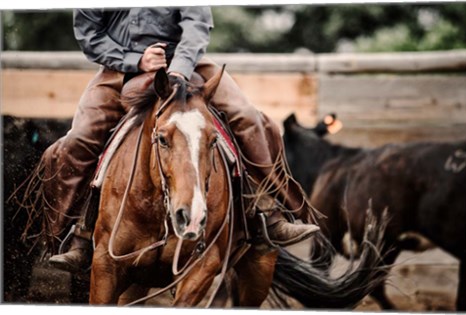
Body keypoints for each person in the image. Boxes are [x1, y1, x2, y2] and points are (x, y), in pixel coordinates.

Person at [43, 7, 321, 273]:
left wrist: (179, 68)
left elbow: (196, 23)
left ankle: (268, 211)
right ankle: (75, 234)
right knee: (80, 138)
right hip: (118, 69)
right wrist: (136, 60)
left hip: (186, 62)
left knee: (247, 117)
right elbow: (89, 33)